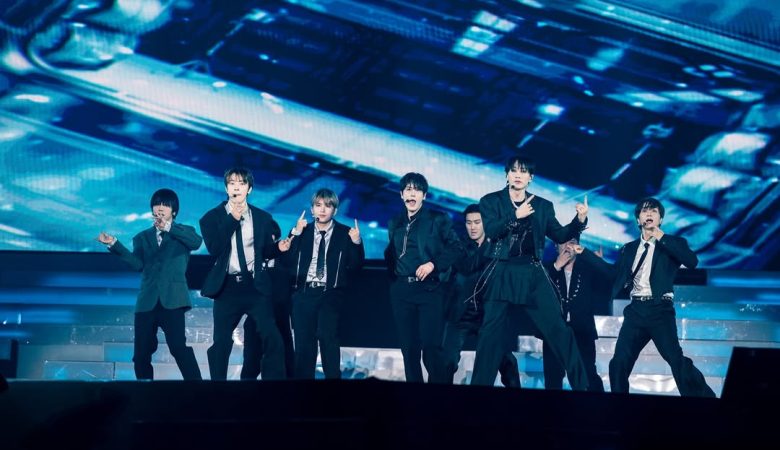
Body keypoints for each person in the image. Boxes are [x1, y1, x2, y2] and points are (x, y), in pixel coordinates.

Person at [470, 156, 590, 390]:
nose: (518, 175)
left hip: (531, 272)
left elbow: (560, 235)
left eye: (523, 171)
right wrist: (516, 215)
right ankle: (478, 391)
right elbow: (491, 230)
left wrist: (580, 220)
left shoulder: (543, 205)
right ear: (507, 175)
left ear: (530, 178)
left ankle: (582, 387)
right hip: (501, 271)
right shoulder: (490, 201)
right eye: (514, 170)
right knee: (489, 336)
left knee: (559, 330)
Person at [577, 197, 716, 397]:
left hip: (660, 310)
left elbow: (692, 261)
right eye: (644, 211)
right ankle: (617, 406)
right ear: (638, 219)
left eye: (654, 211)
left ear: (660, 219)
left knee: (676, 360)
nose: (649, 214)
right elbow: (613, 274)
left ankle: (704, 399)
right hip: (636, 311)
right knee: (619, 363)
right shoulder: (629, 248)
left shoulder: (673, 243)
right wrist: (584, 253)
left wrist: (660, 236)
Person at [97, 188, 202, 380]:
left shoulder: (184, 232)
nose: (160, 208)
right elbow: (138, 264)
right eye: (157, 204)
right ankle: (145, 392)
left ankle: (199, 389)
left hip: (173, 300)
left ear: (174, 211)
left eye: (165, 205)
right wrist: (114, 244)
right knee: (141, 355)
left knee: (179, 348)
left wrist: (168, 228)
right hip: (147, 302)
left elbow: (196, 243)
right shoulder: (142, 237)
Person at [199, 167, 291, 381]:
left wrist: (278, 248)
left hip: (255, 286)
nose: (236, 187)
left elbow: (264, 251)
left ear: (249, 189)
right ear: (226, 188)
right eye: (232, 183)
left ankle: (273, 385)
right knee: (221, 342)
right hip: (227, 288)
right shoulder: (211, 218)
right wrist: (233, 218)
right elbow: (215, 248)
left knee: (273, 338)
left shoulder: (262, 217)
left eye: (241, 183)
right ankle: (217, 389)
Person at [384, 172, 462, 383]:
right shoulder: (395, 222)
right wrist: (395, 282)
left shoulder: (437, 219)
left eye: (417, 190)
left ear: (424, 196)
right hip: (402, 290)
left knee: (431, 345)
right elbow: (391, 254)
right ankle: (415, 394)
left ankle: (437, 391)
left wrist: (433, 264)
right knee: (408, 348)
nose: (412, 194)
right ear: (401, 194)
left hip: (429, 290)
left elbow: (456, 247)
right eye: (408, 190)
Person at [285, 189, 365, 379]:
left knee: (328, 337)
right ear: (312, 209)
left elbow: (355, 266)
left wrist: (356, 243)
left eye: (328, 206)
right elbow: (287, 260)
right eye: (318, 205)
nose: (322, 210)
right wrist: (295, 233)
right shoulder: (301, 231)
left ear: (335, 210)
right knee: (304, 343)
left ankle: (332, 386)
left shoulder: (345, 233)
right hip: (304, 292)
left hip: (330, 293)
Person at [442, 204, 520, 387]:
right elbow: (466, 266)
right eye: (469, 223)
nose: (473, 227)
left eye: (477, 222)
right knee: (446, 361)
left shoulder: (499, 248)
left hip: (489, 316)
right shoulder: (459, 247)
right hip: (461, 314)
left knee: (507, 362)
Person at [542, 237, 607, 392]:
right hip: (555, 332)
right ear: (556, 246)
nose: (568, 246)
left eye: (572, 241)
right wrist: (557, 266)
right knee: (553, 379)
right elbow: (538, 293)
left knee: (588, 377)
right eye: (563, 241)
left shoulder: (588, 269)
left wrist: (599, 264)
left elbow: (608, 288)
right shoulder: (547, 268)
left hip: (582, 332)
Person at [240, 220, 295, 380]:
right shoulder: (249, 262)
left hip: (279, 320)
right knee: (251, 365)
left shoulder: (285, 261)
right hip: (255, 321)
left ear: (275, 238)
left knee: (283, 365)